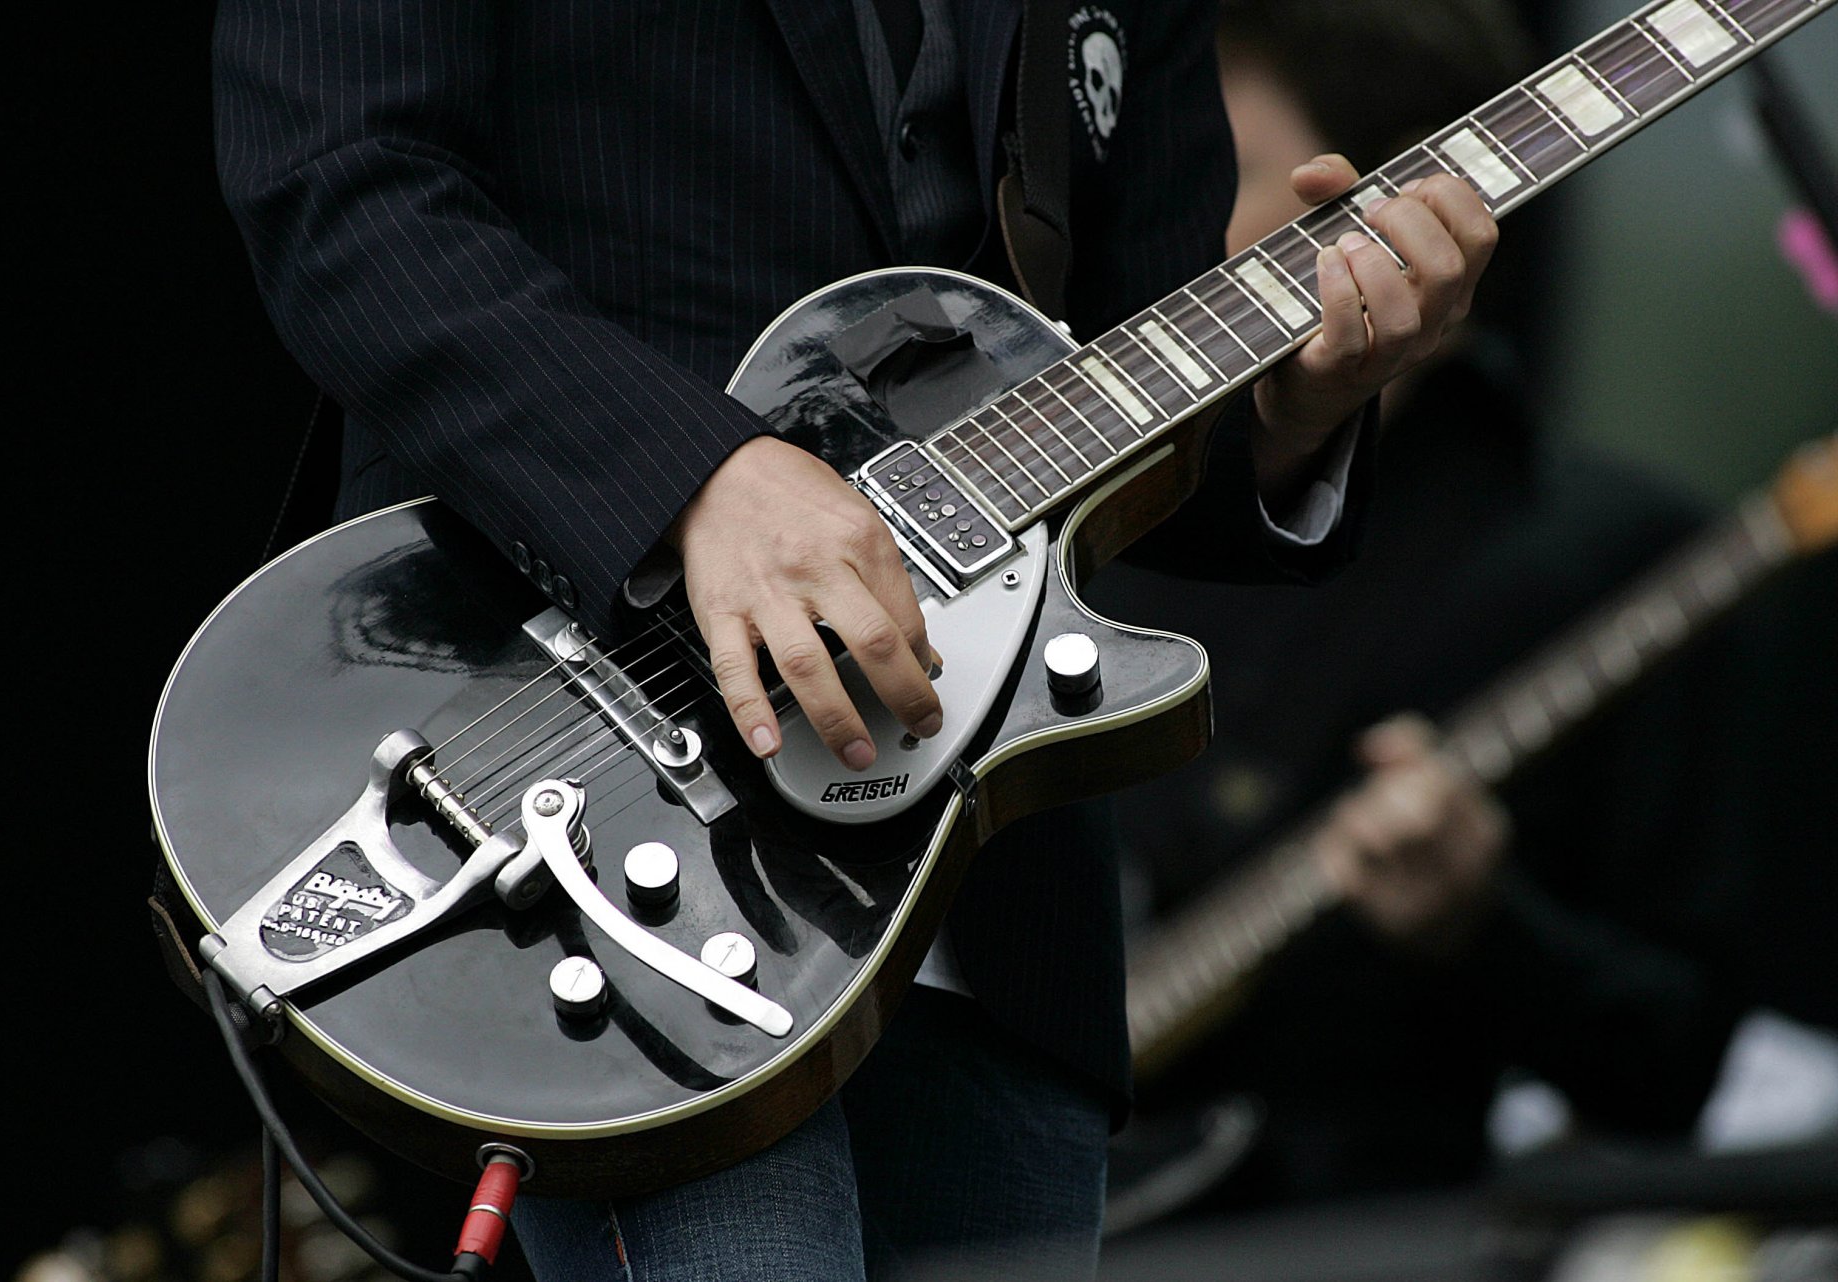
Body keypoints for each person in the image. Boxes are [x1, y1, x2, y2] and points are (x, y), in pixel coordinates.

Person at [210, 1, 1496, 1276]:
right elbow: (342, 180)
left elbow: (1120, 378)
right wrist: (691, 479)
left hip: (997, 882)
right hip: (595, 777)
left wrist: (1298, 401)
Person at [1090, 0, 1746, 1223]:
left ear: (1394, 213)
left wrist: (1481, 921)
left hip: (1352, 1232)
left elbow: (1680, 1063)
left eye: (1214, 173)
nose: (1158, 220)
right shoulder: (1093, 515)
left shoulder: (1613, 553)